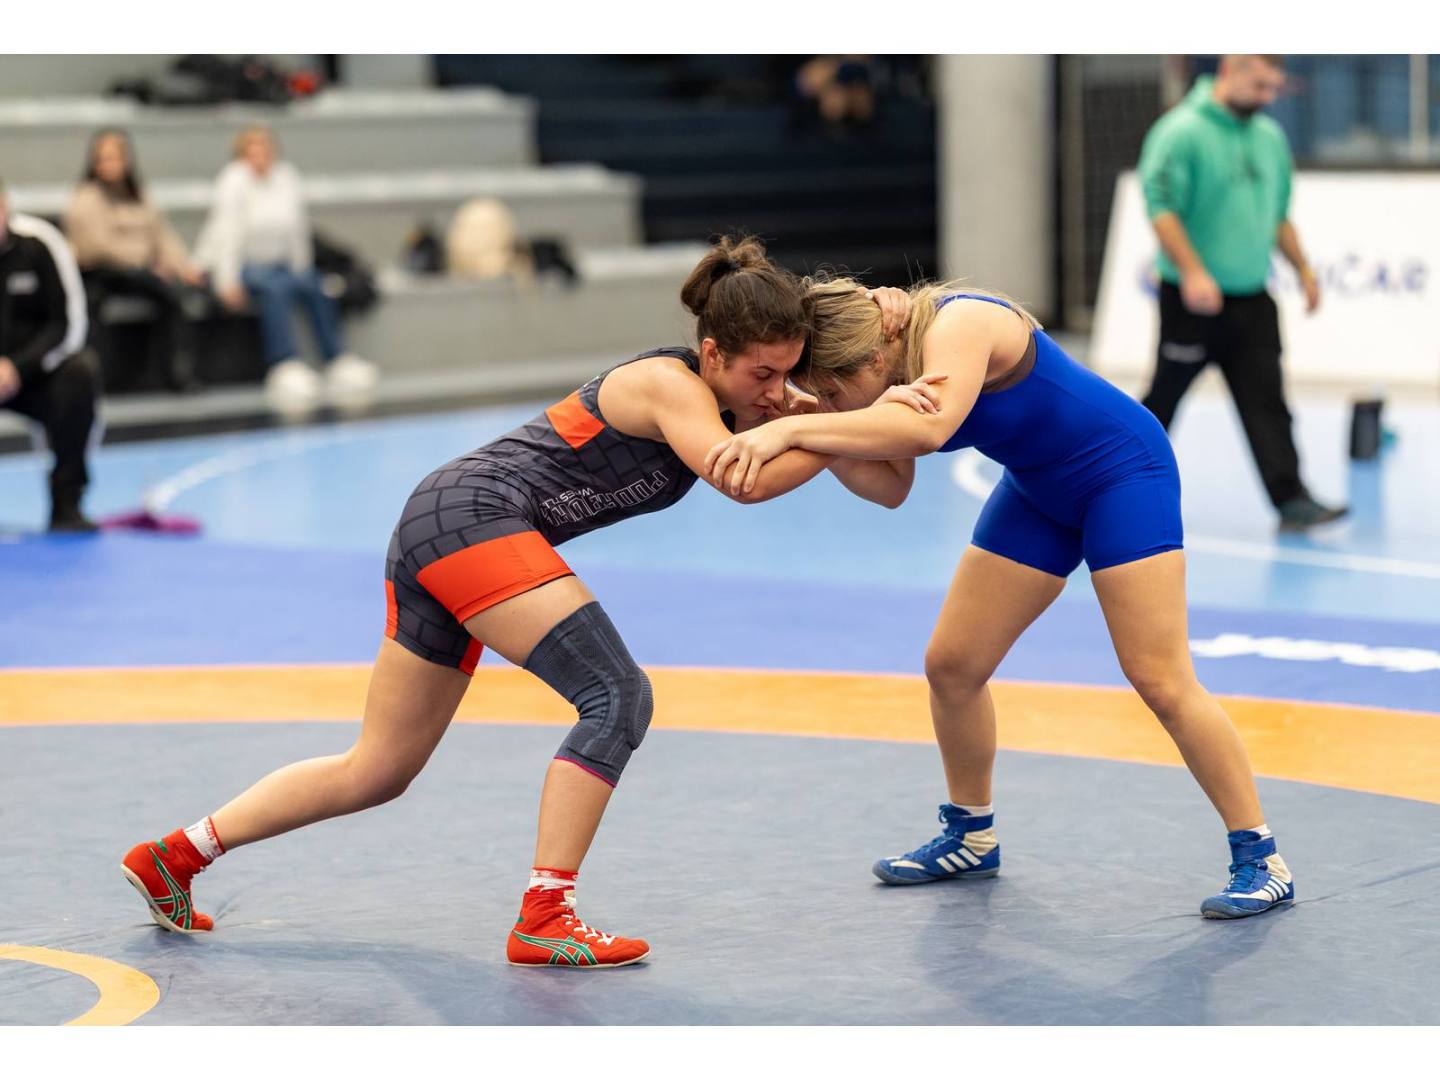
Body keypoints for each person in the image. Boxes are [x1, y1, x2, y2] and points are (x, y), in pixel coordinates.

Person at [120, 238, 922, 966]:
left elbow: (890, 486)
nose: (777, 394)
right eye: (763, 376)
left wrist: (870, 397)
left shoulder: (754, 404)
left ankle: (174, 856)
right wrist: (828, 425)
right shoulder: (668, 384)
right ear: (713, 354)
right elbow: (741, 481)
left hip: (441, 526)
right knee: (617, 695)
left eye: (789, 375)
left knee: (378, 769)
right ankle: (546, 913)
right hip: (471, 517)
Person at [705, 277, 1296, 920]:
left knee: (1160, 677)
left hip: (1122, 474)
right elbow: (890, 487)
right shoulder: (889, 373)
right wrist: (815, 425)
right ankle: (971, 836)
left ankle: (1262, 859)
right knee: (953, 666)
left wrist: (791, 432)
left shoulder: (960, 324)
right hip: (1039, 491)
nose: (826, 406)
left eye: (831, 392)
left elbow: (928, 431)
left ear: (872, 359)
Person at [1137, 54, 1344, 532]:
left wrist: (1304, 269)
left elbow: (1278, 215)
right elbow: (1161, 208)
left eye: (1274, 88)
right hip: (1191, 300)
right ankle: (1109, 483)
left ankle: (1292, 500)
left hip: (1253, 300)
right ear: (1231, 70)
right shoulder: (1180, 132)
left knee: (1268, 403)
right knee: (1162, 400)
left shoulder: (1269, 138)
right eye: (1260, 86)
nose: (1268, 97)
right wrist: (1193, 272)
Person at [194, 124, 376, 412]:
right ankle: (284, 363)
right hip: (243, 265)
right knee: (276, 289)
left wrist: (302, 269)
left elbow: (297, 230)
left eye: (265, 148)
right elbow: (226, 234)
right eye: (252, 150)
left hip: (279, 263)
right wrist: (226, 280)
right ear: (241, 154)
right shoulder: (233, 181)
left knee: (314, 284)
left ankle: (336, 359)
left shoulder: (287, 177)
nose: (260, 156)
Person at [64, 128, 207, 392]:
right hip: (101, 273)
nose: (109, 164)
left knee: (174, 297)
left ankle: (175, 373)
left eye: (114, 158)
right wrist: (146, 261)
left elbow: (162, 236)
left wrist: (182, 266)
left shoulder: (139, 195)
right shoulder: (85, 198)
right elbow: (98, 247)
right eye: (103, 158)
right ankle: (91, 380)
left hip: (138, 273)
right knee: (92, 305)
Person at [0, 179, 102, 533]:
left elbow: (67, 325)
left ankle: (66, 501)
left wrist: (17, 367)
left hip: (31, 375)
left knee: (80, 372)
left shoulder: (40, 243)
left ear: (5, 206)